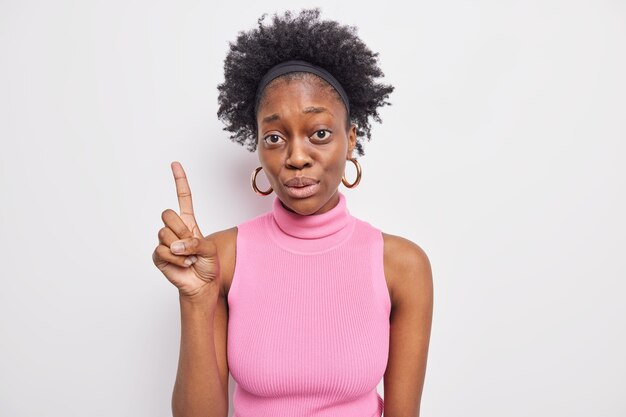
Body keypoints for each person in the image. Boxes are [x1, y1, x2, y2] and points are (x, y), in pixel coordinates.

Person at [152, 8, 433, 417]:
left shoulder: (402, 266)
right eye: (275, 137)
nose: (296, 157)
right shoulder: (220, 258)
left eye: (319, 133)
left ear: (350, 138)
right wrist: (196, 298)